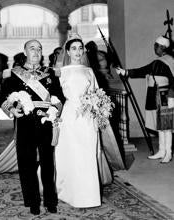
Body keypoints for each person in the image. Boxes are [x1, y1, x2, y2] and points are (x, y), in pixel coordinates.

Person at [55, 33, 124, 208]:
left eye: (80, 48)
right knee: (72, 152)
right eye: (73, 48)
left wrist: (98, 106)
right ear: (68, 52)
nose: (78, 52)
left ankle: (89, 195)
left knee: (88, 152)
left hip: (88, 117)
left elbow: (96, 92)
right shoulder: (61, 71)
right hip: (70, 115)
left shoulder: (89, 71)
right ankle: (69, 191)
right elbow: (56, 97)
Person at [0, 39, 64, 215]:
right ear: (25, 52)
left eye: (39, 49)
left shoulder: (50, 73)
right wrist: (12, 108)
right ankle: (32, 201)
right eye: (32, 48)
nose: (36, 52)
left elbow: (59, 97)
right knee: (26, 162)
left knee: (48, 163)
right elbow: (3, 98)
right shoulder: (13, 74)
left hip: (45, 121)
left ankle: (51, 200)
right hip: (25, 122)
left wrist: (54, 110)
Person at [116, 35, 174, 163]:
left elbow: (145, 70)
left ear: (162, 47)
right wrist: (126, 72)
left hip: (165, 96)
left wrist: (171, 97)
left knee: (166, 126)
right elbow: (144, 71)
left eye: (156, 46)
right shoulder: (160, 61)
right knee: (160, 126)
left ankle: (168, 153)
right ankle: (161, 151)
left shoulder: (166, 61)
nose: (154, 48)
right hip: (157, 95)